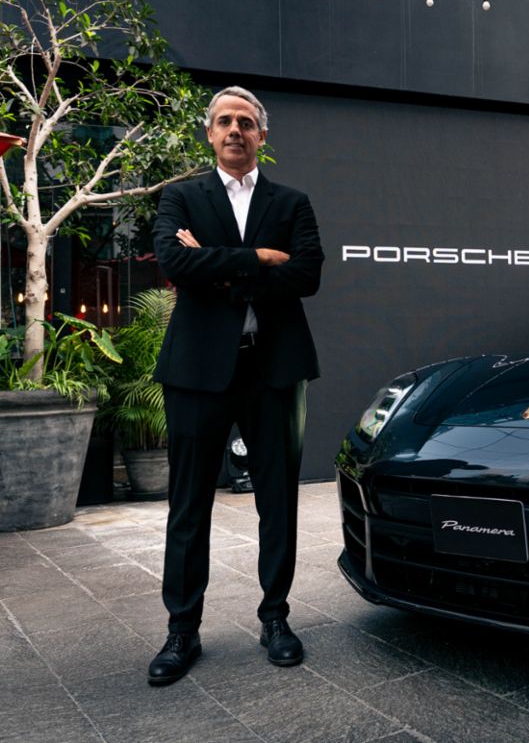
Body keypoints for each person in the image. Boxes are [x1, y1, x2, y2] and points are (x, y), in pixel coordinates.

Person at [146, 87, 323, 686]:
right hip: (197, 370)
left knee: (278, 502)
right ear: (210, 133)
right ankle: (182, 631)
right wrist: (260, 258)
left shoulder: (292, 201)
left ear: (261, 136)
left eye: (246, 122)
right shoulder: (182, 196)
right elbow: (174, 263)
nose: (234, 130)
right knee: (188, 504)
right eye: (224, 121)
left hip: (274, 368)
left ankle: (276, 619)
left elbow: (308, 274)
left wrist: (218, 264)